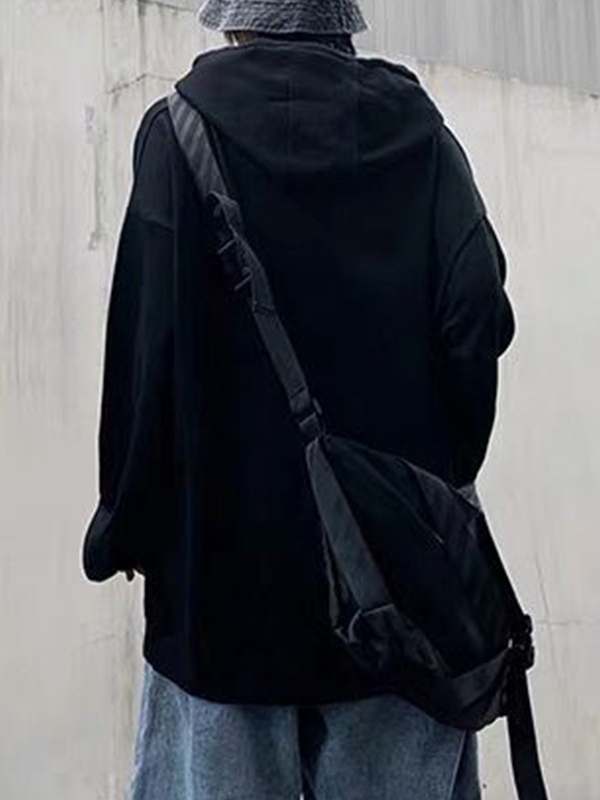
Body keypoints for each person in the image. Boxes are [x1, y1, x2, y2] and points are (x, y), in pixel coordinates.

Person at [82, 0, 515, 797]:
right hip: (399, 594)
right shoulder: (423, 138)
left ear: (235, 20)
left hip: (220, 590)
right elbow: (475, 321)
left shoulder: (176, 133)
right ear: (342, 22)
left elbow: (145, 354)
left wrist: (126, 524)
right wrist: (432, 487)